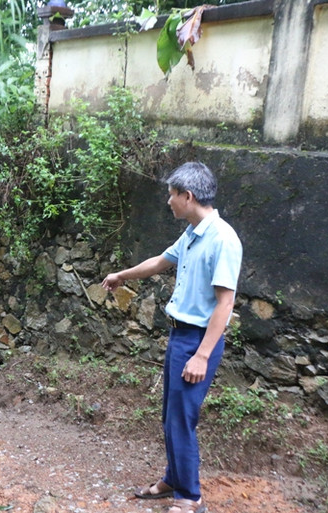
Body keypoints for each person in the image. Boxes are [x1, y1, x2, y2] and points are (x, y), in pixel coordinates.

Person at [101, 162, 242, 513]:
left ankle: (190, 497)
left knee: (182, 418)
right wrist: (122, 275)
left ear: (188, 196)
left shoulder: (223, 239)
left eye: (172, 195)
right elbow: (160, 261)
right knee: (171, 414)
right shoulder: (193, 233)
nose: (168, 201)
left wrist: (202, 355)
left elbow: (225, 304)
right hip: (180, 337)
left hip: (198, 341)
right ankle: (172, 478)